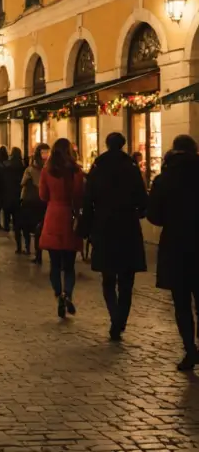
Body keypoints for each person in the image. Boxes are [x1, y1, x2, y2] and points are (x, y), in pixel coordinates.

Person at [80, 132, 147, 341]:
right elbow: (143, 200)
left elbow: (88, 199)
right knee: (127, 279)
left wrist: (87, 227)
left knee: (108, 278)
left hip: (104, 226)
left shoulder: (98, 167)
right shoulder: (131, 167)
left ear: (107, 144)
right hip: (127, 226)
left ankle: (115, 318)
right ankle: (120, 319)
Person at [147, 134, 199, 370]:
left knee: (181, 302)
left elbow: (154, 216)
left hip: (176, 244)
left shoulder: (164, 179)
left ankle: (190, 350)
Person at [39, 138, 85, 318]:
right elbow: (80, 195)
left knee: (55, 264)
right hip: (70, 217)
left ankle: (58, 295)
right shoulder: (76, 171)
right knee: (70, 265)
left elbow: (43, 195)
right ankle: (68, 293)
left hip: (53, 216)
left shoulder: (47, 171)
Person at [20, 143, 50, 262]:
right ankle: (39, 252)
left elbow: (23, 183)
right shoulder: (49, 168)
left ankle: (36, 253)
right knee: (41, 227)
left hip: (33, 201)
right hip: (43, 201)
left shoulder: (31, 169)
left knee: (34, 228)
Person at [3, 147, 25, 250]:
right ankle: (19, 244)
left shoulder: (6, 165)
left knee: (7, 215)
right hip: (19, 196)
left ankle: (6, 229)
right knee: (18, 222)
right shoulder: (23, 166)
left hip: (8, 194)